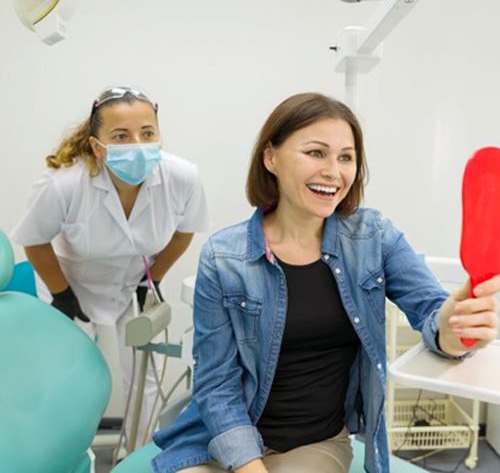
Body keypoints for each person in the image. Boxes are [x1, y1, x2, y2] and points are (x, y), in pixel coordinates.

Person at [151, 93, 499, 473]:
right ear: (271, 157)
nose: (334, 171)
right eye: (316, 153)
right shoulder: (223, 257)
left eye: (346, 157)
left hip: (314, 443)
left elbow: (434, 314)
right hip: (220, 439)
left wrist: (453, 330)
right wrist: (249, 466)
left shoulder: (374, 237)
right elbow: (216, 383)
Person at [11, 86, 210, 446]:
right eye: (121, 136)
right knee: (71, 376)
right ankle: (72, 454)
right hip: (70, 283)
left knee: (144, 375)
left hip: (133, 281)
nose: (137, 144)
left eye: (147, 133)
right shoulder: (64, 185)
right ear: (96, 144)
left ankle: (137, 453)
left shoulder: (181, 177)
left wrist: (152, 279)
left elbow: (185, 232)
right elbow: (35, 241)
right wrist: (62, 295)